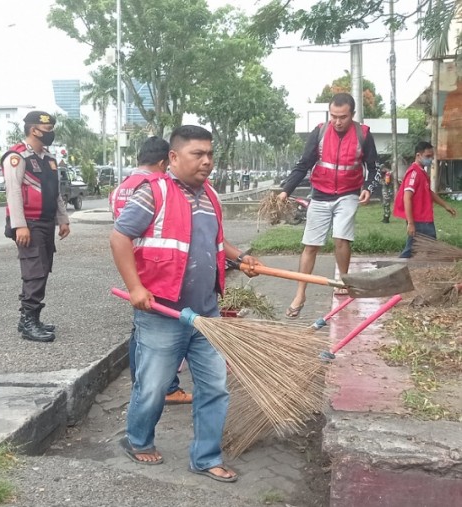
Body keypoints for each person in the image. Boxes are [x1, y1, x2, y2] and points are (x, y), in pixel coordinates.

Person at [110, 125, 261, 481]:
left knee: (215, 387)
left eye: (210, 154)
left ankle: (206, 457)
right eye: (198, 154)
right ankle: (138, 440)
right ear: (174, 157)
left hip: (205, 313)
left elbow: (213, 244)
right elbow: (119, 237)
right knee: (153, 387)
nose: (207, 161)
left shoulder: (210, 196)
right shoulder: (153, 192)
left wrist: (241, 260)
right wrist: (135, 287)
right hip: (162, 312)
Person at [278, 93, 379, 318]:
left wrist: (368, 187)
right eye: (333, 116)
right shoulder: (320, 131)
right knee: (310, 245)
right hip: (321, 195)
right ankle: (300, 293)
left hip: (348, 194)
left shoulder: (363, 134)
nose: (337, 121)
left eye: (342, 117)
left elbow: (373, 167)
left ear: (352, 115)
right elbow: (303, 164)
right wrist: (286, 190)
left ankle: (343, 281)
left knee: (341, 238)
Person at [111, 136, 192, 405]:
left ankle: (142, 382)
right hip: (154, 273)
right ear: (163, 161)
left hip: (132, 269)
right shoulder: (155, 187)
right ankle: (165, 387)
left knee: (140, 332)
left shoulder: (122, 186)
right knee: (158, 339)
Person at [3, 111, 70, 343]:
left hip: (46, 222)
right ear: (34, 130)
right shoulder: (17, 156)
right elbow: (12, 193)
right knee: (35, 270)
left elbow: (55, 192)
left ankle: (31, 318)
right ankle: (29, 321)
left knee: (43, 268)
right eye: (48, 129)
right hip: (29, 223)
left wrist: (63, 218)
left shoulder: (48, 158)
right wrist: (19, 225)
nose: (51, 134)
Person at [394, 141, 457, 258]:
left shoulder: (422, 173)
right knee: (425, 247)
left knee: (416, 247)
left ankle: (399, 268)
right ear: (418, 155)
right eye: (428, 156)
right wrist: (411, 223)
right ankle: (396, 268)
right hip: (419, 219)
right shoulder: (414, 173)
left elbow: (428, 192)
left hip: (424, 217)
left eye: (431, 156)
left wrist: (445, 205)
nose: (430, 159)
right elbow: (407, 197)